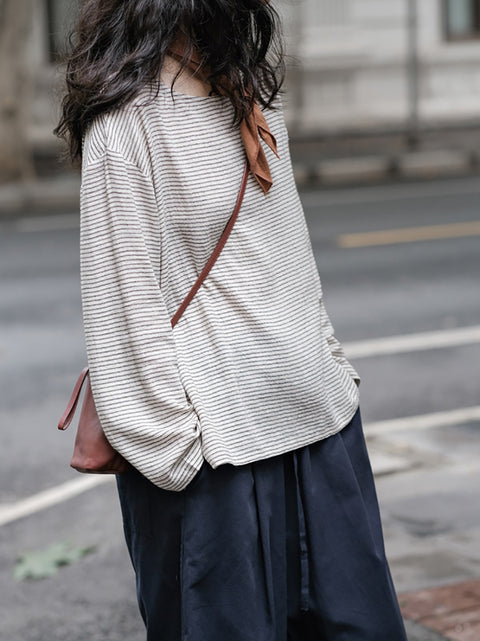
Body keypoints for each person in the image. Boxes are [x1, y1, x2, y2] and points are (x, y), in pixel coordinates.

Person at [55, 1, 408, 640]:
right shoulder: (127, 128)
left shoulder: (248, 97)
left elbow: (289, 257)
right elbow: (121, 313)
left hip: (319, 429)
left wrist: (331, 369)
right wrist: (175, 451)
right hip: (214, 461)